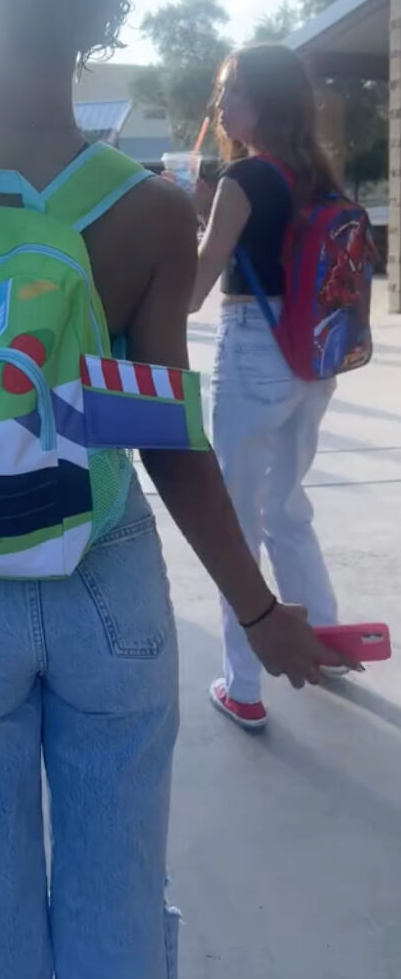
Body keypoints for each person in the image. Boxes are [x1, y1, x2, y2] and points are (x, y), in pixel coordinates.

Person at [0, 0, 350, 979]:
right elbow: (169, 441)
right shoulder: (149, 210)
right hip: (104, 581)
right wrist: (260, 613)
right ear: (91, 28)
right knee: (115, 901)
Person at [191, 43, 345, 730]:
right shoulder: (323, 179)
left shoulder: (244, 181)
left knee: (236, 519)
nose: (223, 107)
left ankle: (244, 684)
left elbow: (195, 290)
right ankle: (329, 644)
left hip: (255, 345)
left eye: (233, 92)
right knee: (286, 506)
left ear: (265, 101)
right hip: (317, 353)